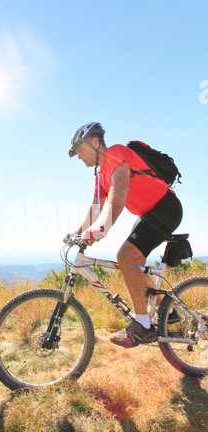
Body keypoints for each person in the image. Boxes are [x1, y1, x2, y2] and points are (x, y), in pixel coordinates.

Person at [66, 122, 183, 348]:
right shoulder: (101, 175)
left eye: (80, 150)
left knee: (126, 257)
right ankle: (169, 310)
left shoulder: (116, 153)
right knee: (135, 263)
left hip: (165, 208)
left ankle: (142, 327)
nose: (79, 157)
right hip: (150, 214)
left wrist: (103, 228)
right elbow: (96, 207)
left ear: (95, 142)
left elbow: (119, 190)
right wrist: (76, 232)